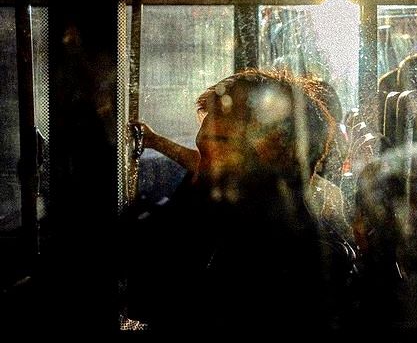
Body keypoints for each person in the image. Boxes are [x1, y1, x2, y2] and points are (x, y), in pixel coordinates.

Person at [124, 69, 354, 335]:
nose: (202, 171)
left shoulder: (303, 275)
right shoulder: (218, 229)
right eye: (203, 150)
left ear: (277, 154)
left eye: (222, 147)